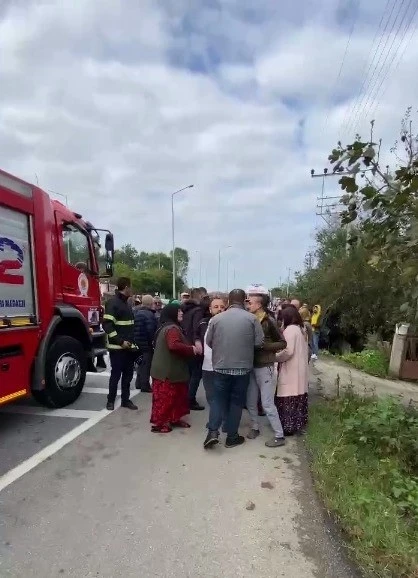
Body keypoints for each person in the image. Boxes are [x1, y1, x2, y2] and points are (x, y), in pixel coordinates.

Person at [204, 289, 264, 449]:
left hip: (221, 367)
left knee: (218, 400)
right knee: (236, 402)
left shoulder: (217, 319)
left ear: (229, 301)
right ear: (244, 300)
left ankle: (212, 432)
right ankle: (232, 437)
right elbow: (259, 343)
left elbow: (209, 342)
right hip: (242, 368)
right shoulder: (252, 319)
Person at [150, 303, 198, 433]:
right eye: (179, 311)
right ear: (172, 314)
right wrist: (191, 349)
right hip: (167, 372)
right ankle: (161, 423)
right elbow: (173, 345)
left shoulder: (170, 327)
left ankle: (174, 419)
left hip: (173, 371)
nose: (182, 313)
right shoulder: (172, 329)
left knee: (177, 397)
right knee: (166, 399)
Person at [246, 292, 287, 447]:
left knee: (267, 403)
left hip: (265, 366)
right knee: (250, 400)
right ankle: (255, 427)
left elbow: (283, 343)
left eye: (250, 303)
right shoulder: (249, 320)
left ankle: (279, 435)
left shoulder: (269, 321)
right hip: (251, 365)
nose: (248, 305)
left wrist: (265, 346)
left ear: (259, 305)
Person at [103, 277, 139, 411]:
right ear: (126, 287)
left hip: (128, 348)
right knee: (116, 375)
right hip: (117, 348)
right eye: (131, 287)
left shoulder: (127, 304)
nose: (132, 290)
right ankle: (110, 401)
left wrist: (132, 345)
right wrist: (120, 342)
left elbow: (130, 328)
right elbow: (107, 325)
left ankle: (125, 400)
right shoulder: (113, 303)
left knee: (128, 375)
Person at [275, 306, 309, 435]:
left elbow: (288, 351)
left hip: (291, 368)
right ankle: (298, 424)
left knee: (288, 395)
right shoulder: (302, 329)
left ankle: (288, 427)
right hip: (301, 368)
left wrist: (276, 357)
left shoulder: (289, 330)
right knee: (298, 394)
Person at [198, 296, 226, 413]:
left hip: (224, 367)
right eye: (216, 307)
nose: (219, 309)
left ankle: (222, 420)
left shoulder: (229, 325)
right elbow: (196, 334)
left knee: (223, 396)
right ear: (210, 309)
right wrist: (196, 341)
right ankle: (216, 418)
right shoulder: (204, 323)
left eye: (222, 307)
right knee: (210, 396)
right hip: (207, 367)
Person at [181, 287, 207, 411]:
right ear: (200, 297)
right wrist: (198, 342)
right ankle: (190, 399)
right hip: (194, 346)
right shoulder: (198, 311)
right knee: (196, 375)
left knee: (189, 374)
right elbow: (197, 328)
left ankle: (185, 397)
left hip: (185, 344)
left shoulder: (185, 309)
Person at [133, 294, 157, 392]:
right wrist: (153, 342)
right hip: (146, 344)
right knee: (146, 365)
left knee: (140, 363)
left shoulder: (136, 312)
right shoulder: (149, 315)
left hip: (137, 342)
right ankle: (145, 385)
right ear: (151, 303)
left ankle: (138, 383)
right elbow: (151, 330)